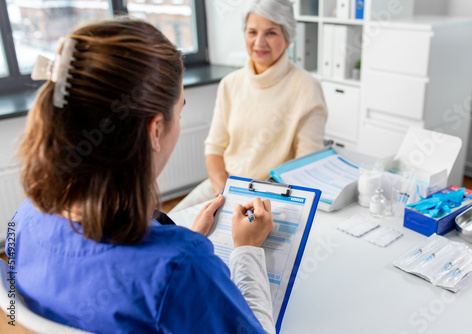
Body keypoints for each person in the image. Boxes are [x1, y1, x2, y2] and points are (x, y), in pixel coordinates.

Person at [9, 19, 276, 334]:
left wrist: (183, 241)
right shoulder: (183, 269)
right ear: (155, 130)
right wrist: (247, 249)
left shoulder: (24, 219)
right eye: (179, 112)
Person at [171, 0, 327, 213]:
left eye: (271, 33)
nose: (259, 42)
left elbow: (305, 170)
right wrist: (224, 192)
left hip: (269, 200)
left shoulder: (307, 88)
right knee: (166, 224)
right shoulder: (230, 83)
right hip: (222, 187)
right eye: (252, 32)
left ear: (288, 38)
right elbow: (214, 149)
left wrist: (249, 203)